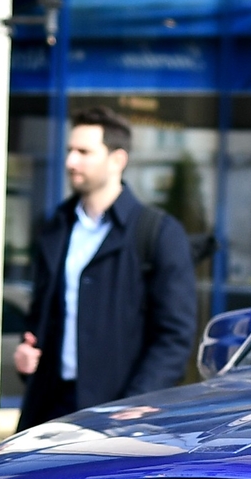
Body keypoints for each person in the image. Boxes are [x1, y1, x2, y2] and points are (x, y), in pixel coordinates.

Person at [13, 107, 197, 428]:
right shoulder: (55, 226)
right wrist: (26, 356)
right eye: (70, 151)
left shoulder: (158, 233)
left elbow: (174, 336)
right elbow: (41, 316)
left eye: (84, 152)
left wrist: (138, 402)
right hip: (48, 409)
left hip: (119, 414)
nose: (71, 162)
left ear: (117, 160)